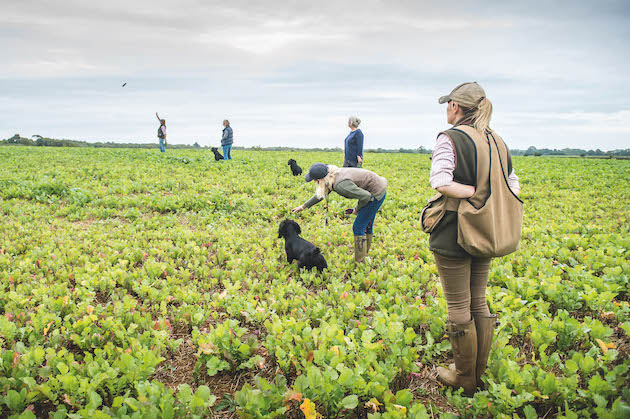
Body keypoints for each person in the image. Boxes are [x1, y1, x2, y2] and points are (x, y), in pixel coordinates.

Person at [426, 82, 521, 395]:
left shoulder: (450, 137)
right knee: (478, 299)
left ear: (456, 106)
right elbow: (513, 185)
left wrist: (475, 195)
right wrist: (487, 200)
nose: (446, 110)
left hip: (453, 229)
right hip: (488, 228)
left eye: (448, 104)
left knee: (458, 305)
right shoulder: (498, 141)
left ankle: (463, 377)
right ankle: (476, 372)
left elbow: (440, 181)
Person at [292, 163, 387, 262]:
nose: (315, 182)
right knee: (366, 224)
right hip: (376, 187)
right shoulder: (332, 175)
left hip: (376, 194)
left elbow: (366, 196)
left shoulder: (340, 185)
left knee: (358, 227)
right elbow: (321, 194)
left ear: (321, 179)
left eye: (315, 180)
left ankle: (360, 262)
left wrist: (357, 209)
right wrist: (303, 206)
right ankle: (364, 254)